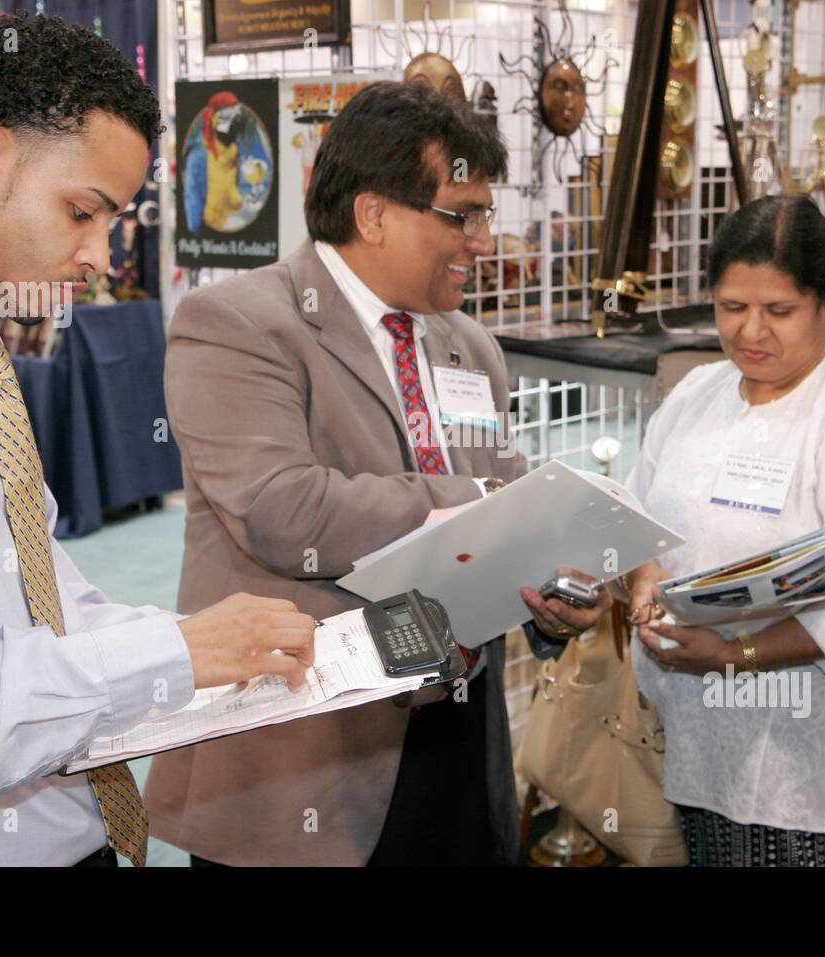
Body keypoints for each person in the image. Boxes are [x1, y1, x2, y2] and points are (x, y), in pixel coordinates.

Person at [0, 13, 315, 867]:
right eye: (83, 211)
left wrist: (198, 643)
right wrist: (164, 657)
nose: (98, 254)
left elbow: (39, 597)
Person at [144, 81, 606, 867]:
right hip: (306, 761)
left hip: (456, 744)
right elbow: (280, 509)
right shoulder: (241, 324)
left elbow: (506, 508)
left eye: (486, 215)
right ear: (374, 213)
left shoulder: (468, 347)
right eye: (462, 215)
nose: (482, 242)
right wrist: (477, 502)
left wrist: (549, 588)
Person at [622, 193, 825, 866]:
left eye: (779, 310)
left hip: (797, 746)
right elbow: (639, 518)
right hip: (688, 727)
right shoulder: (696, 394)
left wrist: (736, 656)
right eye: (732, 307)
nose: (750, 331)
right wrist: (644, 579)